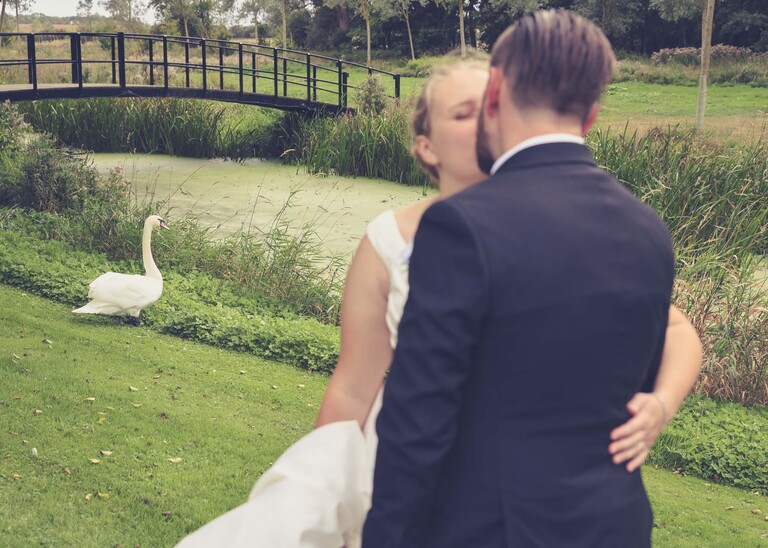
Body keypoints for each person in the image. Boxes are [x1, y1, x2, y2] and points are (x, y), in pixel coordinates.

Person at [177, 51, 701, 547]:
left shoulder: (565, 228)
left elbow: (676, 330)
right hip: (406, 463)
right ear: (426, 146)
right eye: (463, 113)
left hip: (525, 488)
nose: (484, 123)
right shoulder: (388, 240)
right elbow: (354, 386)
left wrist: (660, 402)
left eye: (493, 108)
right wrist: (324, 492)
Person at [362, 9, 702, 548]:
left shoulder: (461, 226)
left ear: (494, 94)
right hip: (614, 526)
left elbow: (417, 424)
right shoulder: (648, 229)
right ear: (591, 115)